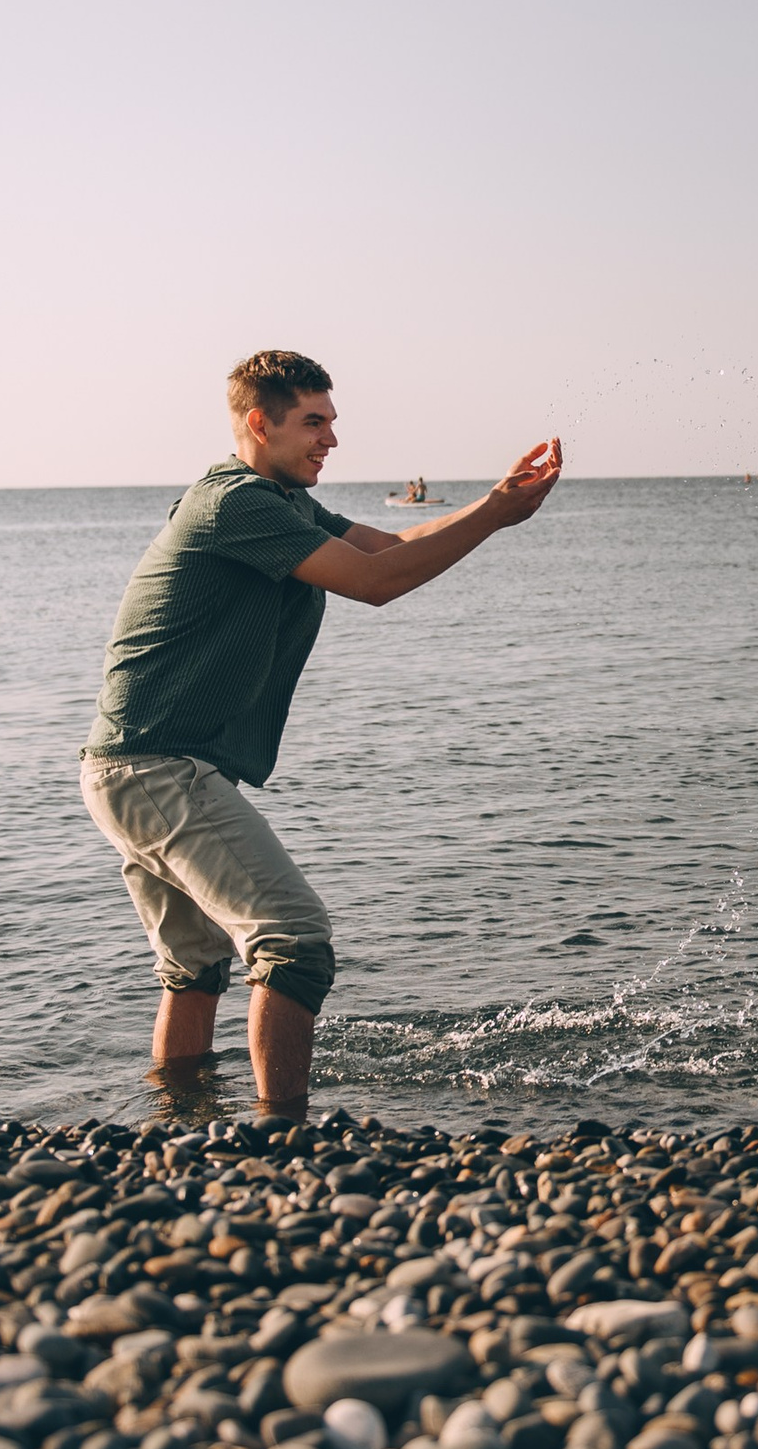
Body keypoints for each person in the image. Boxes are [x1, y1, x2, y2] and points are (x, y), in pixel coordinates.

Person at [80, 350, 562, 1113]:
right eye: (314, 422)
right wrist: (498, 508)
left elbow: (391, 548)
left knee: (195, 964)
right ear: (258, 422)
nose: (331, 438)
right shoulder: (234, 503)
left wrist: (497, 509)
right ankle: (282, 1135)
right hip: (158, 768)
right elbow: (376, 585)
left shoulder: (282, 503)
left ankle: (181, 1119)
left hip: (131, 769)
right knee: (293, 941)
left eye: (333, 422)